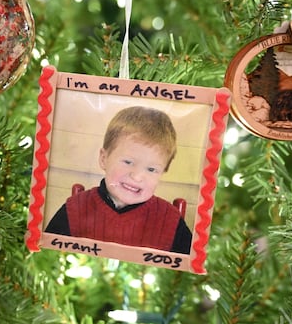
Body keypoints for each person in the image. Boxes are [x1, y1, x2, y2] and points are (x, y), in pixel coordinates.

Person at [45, 106, 193, 254]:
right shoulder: (75, 209)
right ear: (104, 159)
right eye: (128, 162)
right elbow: (46, 257)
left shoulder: (170, 221)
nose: (137, 176)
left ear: (163, 172)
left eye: (151, 169)